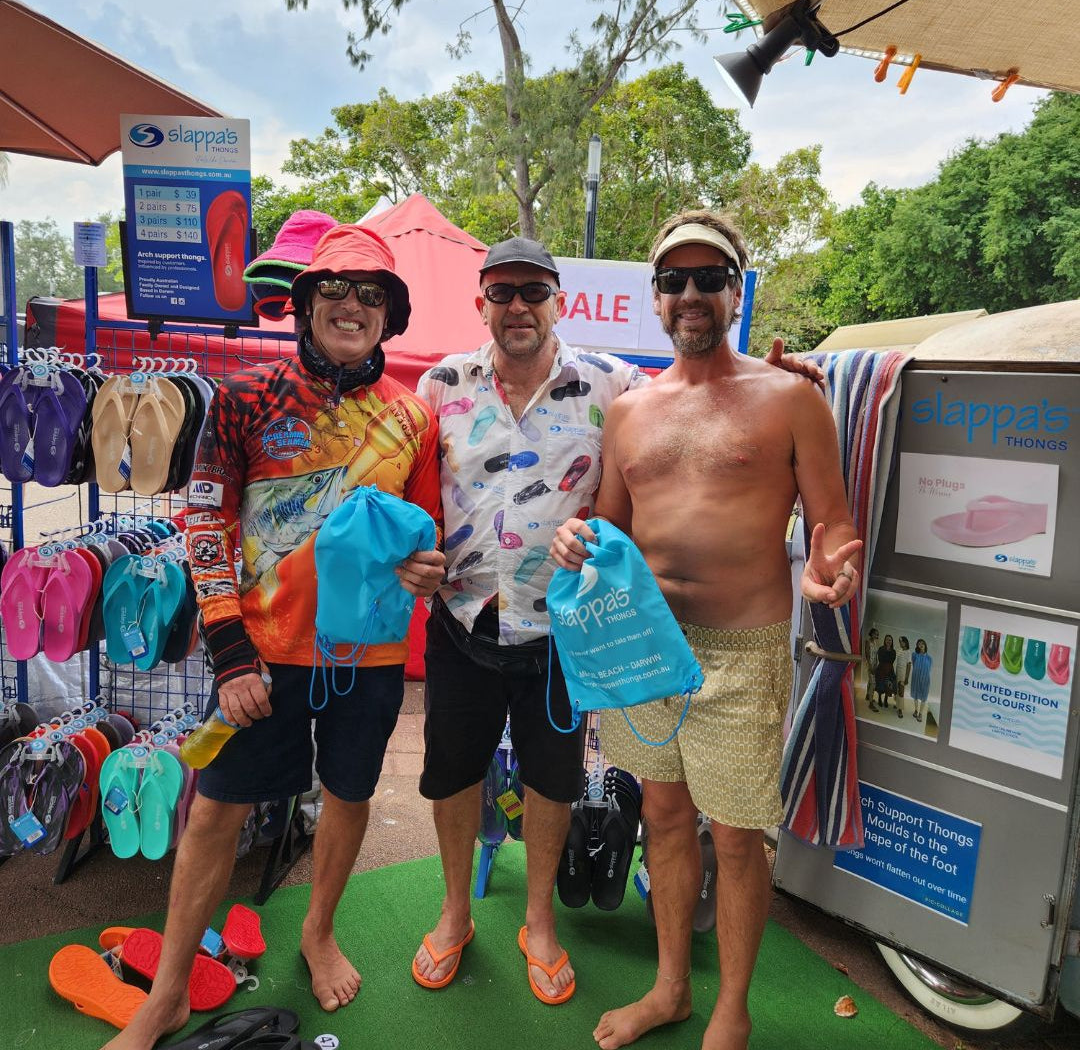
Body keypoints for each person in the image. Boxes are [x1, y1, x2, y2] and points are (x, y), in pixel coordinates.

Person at [410, 236, 819, 1006]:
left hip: (568, 631)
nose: (518, 306)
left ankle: (539, 924)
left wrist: (780, 376)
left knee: (552, 781)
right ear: (481, 305)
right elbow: (403, 484)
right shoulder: (439, 384)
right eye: (502, 293)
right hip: (464, 617)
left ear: (559, 300)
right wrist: (409, 553)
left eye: (534, 291)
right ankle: (455, 912)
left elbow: (700, 393)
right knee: (453, 776)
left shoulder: (614, 383)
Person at [103, 224, 446, 1050]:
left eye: (372, 294)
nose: (352, 306)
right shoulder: (245, 396)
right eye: (335, 289)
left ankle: (318, 930)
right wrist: (228, 654)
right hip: (257, 655)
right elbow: (206, 524)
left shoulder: (414, 418)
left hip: (366, 657)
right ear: (303, 303)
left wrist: (427, 568)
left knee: (350, 796)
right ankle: (171, 992)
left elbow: (428, 535)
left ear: (390, 316)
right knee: (217, 812)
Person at [550, 209, 861, 1050]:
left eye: (709, 279)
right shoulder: (630, 410)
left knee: (736, 833)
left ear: (736, 290)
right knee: (663, 814)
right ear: (656, 297)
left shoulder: (790, 397)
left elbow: (832, 522)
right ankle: (671, 990)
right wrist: (576, 538)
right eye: (674, 281)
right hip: (646, 647)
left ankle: (732, 1012)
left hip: (744, 649)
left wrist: (831, 563)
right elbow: (609, 528)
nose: (691, 295)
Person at [910, 638, 933, 722]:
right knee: (915, 695)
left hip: (925, 680)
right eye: (919, 643)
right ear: (917, 646)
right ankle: (916, 710)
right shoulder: (914, 655)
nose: (921, 644)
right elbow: (914, 664)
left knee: (924, 697)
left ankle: (920, 713)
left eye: (922, 643)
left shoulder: (929, 658)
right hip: (916, 678)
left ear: (925, 645)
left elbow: (929, 669)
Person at [875, 633, 897, 711]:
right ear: (885, 640)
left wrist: (887, 662)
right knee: (880, 684)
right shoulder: (881, 649)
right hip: (881, 668)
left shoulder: (893, 651)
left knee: (888, 684)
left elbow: (892, 660)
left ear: (892, 641)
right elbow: (880, 658)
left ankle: (886, 700)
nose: (889, 641)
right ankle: (880, 698)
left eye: (890, 640)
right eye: (887, 639)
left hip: (890, 669)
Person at [862, 627, 880, 712]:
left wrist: (876, 665)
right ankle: (870, 704)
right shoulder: (868, 642)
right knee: (873, 683)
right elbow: (867, 655)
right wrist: (870, 666)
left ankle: (867, 695)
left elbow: (876, 655)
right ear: (871, 633)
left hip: (874, 664)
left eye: (877, 634)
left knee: (870, 681)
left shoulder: (875, 642)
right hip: (870, 664)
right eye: (874, 633)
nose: (876, 635)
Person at [895, 635, 912, 719]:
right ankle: (898, 705)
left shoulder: (908, 652)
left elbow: (909, 665)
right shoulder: (899, 650)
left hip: (903, 673)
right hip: (897, 672)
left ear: (905, 642)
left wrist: (906, 678)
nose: (901, 643)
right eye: (900, 642)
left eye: (902, 641)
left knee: (901, 691)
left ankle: (900, 709)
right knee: (897, 689)